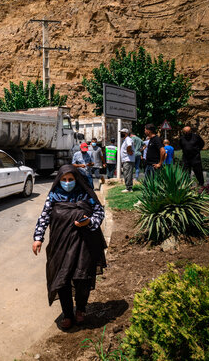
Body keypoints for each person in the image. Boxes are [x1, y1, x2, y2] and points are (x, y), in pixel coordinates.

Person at [32, 164, 107, 330]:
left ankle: (80, 309)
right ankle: (67, 314)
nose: (67, 183)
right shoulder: (53, 195)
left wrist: (89, 222)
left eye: (70, 179)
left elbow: (100, 213)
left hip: (84, 244)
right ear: (59, 180)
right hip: (61, 245)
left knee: (82, 278)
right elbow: (44, 217)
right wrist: (38, 238)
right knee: (62, 279)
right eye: (64, 179)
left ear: (76, 179)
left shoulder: (86, 194)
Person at [120, 128, 135, 192]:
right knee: (126, 173)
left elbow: (129, 145)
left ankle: (129, 188)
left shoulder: (128, 139)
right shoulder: (125, 140)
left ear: (126, 133)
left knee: (128, 174)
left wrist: (129, 151)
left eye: (122, 133)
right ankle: (128, 187)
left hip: (128, 159)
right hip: (126, 159)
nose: (121, 134)